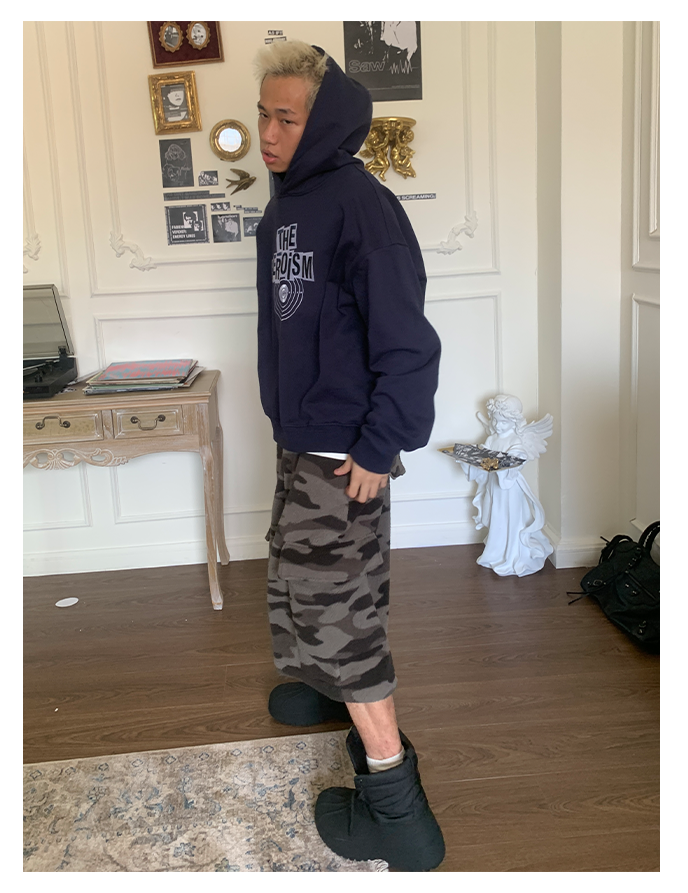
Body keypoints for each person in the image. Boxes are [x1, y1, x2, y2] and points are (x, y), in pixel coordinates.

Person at [253, 40, 444, 871]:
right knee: (297, 580)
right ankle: (322, 685)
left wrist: (378, 442)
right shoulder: (291, 203)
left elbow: (409, 342)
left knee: (345, 618)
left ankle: (398, 813)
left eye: (286, 119)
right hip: (305, 441)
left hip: (345, 452)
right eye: (262, 115)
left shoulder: (363, 207)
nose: (268, 133)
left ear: (325, 123)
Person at [460, 395, 554, 576]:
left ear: (514, 422)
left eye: (503, 422)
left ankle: (511, 554)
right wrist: (468, 458)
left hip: (509, 488)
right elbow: (484, 458)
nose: (498, 425)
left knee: (510, 519)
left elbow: (517, 459)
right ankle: (497, 551)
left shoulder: (515, 440)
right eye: (495, 420)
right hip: (493, 486)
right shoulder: (492, 438)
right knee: (495, 517)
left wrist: (501, 463)